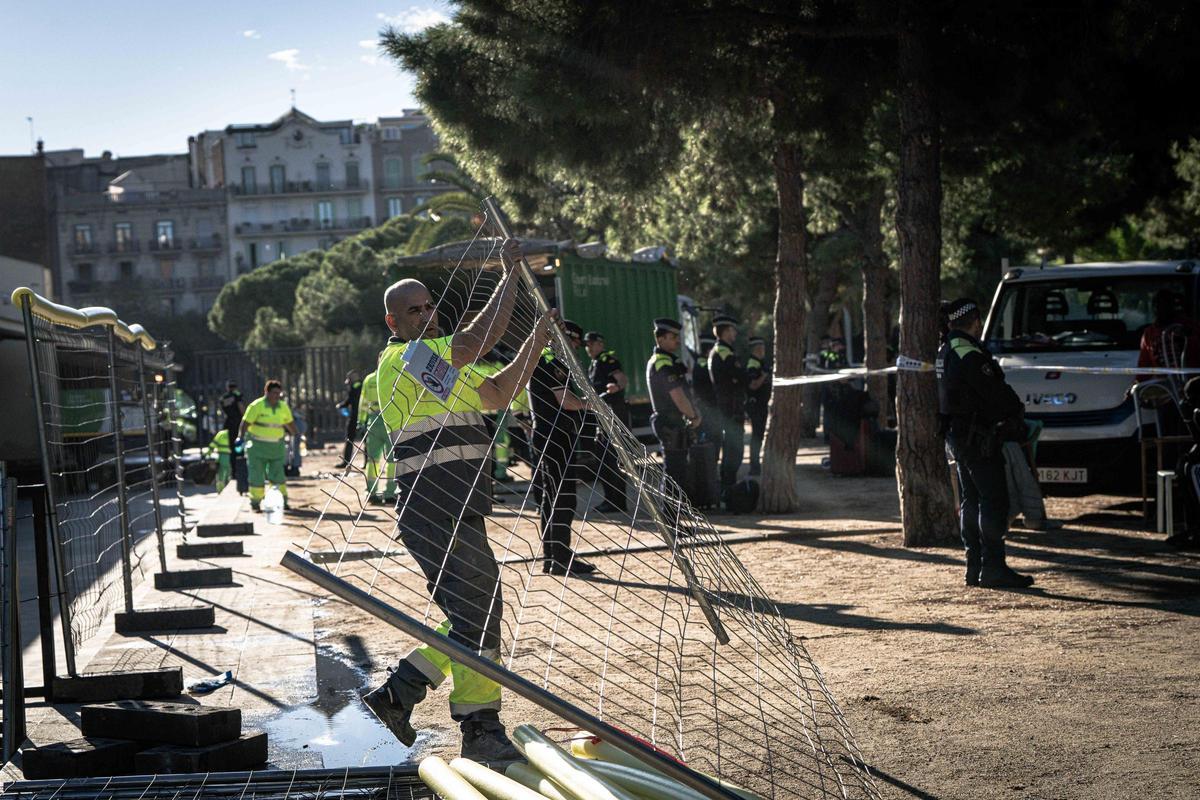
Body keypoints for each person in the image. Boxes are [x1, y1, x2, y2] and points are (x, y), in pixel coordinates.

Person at [362, 238, 555, 762]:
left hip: (457, 506)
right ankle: (478, 726)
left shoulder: (436, 365)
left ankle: (399, 694)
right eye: (413, 310)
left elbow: (495, 393)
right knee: (477, 613)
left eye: (429, 306)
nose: (426, 315)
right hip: (433, 507)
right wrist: (510, 273)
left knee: (474, 612)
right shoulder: (403, 360)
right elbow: (474, 342)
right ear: (392, 322)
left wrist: (536, 339)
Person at [937, 298, 1034, 589]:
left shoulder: (946, 348)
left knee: (972, 500)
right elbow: (992, 392)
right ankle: (993, 567)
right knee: (993, 500)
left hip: (960, 436)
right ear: (975, 321)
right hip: (978, 437)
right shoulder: (968, 352)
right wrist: (1014, 411)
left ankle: (975, 566)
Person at [530, 320, 594, 575]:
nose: (575, 347)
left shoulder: (544, 358)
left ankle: (554, 556)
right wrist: (591, 404)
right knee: (563, 497)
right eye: (574, 341)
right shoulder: (552, 360)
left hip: (549, 435)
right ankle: (560, 557)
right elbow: (565, 401)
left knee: (551, 497)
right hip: (555, 436)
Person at [647, 318, 701, 505]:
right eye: (673, 337)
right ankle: (670, 521)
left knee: (676, 473)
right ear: (660, 339)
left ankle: (673, 519)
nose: (677, 341)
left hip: (673, 424)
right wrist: (693, 416)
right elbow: (677, 395)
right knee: (674, 475)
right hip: (670, 424)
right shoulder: (663, 363)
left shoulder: (667, 360)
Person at [584, 330, 629, 514]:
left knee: (612, 460)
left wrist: (615, 387)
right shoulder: (594, 364)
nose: (587, 348)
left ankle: (617, 501)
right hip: (601, 418)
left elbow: (622, 380)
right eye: (586, 345)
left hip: (612, 417)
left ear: (599, 344)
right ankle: (610, 499)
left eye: (590, 344)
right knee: (603, 461)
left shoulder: (607, 361)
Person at [238, 380, 298, 512]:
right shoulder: (256, 406)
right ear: (267, 392)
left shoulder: (283, 407)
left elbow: (290, 423)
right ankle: (255, 502)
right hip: (257, 447)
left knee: (278, 476)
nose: (277, 396)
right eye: (274, 393)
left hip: (276, 448)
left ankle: (281, 501)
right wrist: (240, 437)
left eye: (279, 393)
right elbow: (245, 423)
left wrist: (295, 433)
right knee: (257, 476)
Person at [709, 315, 745, 506]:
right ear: (724, 332)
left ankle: (727, 491)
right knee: (733, 453)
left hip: (730, 409)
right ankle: (728, 493)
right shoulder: (723, 353)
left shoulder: (724, 351)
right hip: (730, 410)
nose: (735, 333)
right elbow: (740, 376)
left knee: (733, 453)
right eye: (732, 330)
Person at [357, 369, 396, 505]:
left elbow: (362, 402)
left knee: (373, 459)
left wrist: (361, 421)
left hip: (373, 421)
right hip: (391, 420)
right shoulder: (392, 374)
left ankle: (371, 492)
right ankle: (390, 492)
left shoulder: (369, 379)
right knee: (392, 460)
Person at [745, 336, 771, 477]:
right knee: (756, 436)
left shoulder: (759, 363)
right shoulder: (753, 364)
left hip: (761, 405)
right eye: (762, 348)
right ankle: (754, 467)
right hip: (756, 405)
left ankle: (756, 465)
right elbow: (753, 385)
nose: (764, 350)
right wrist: (764, 375)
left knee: (759, 436)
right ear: (758, 349)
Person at [336, 371, 364, 468]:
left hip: (354, 417)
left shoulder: (354, 388)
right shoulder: (364, 385)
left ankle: (346, 462)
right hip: (364, 417)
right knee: (366, 440)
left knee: (349, 440)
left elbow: (349, 401)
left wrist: (340, 405)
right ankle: (367, 463)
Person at [201, 428, 234, 494]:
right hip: (231, 456)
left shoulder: (221, 434)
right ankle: (229, 489)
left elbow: (213, 445)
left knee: (221, 473)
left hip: (222, 456)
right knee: (229, 473)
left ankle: (220, 490)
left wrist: (207, 453)